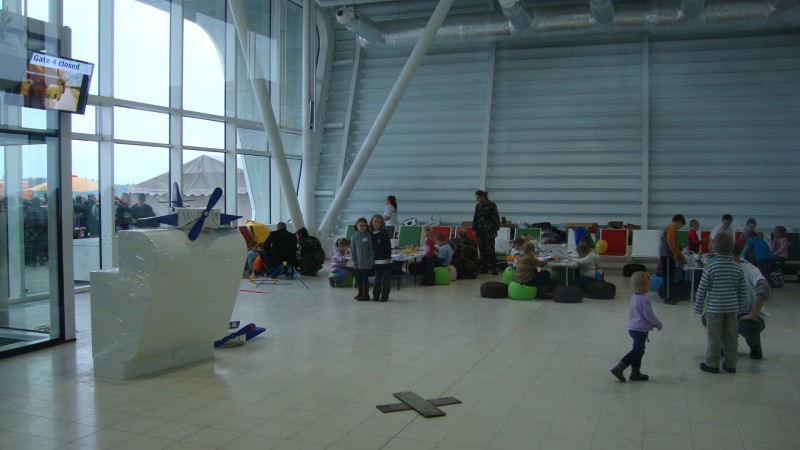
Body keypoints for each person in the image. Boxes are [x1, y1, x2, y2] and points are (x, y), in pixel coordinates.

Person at [693, 233, 746, 374]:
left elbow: (702, 289)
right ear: (732, 248)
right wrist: (739, 307)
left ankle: (712, 364)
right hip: (732, 309)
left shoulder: (710, 267)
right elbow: (742, 290)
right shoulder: (738, 268)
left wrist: (698, 308)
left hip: (714, 309)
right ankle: (731, 364)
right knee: (732, 337)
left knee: (714, 337)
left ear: (714, 248)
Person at [702, 258, 770, 361]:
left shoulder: (750, 269)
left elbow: (764, 287)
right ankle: (723, 344)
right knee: (708, 318)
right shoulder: (717, 270)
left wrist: (753, 314)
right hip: (727, 311)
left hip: (750, 313)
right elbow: (708, 297)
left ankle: (755, 345)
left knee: (747, 327)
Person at [610, 271, 663, 382]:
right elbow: (649, 315)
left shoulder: (634, 297)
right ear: (645, 285)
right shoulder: (644, 300)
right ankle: (619, 368)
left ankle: (635, 373)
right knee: (637, 351)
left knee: (639, 351)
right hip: (640, 330)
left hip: (633, 328)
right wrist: (658, 323)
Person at [660, 214, 687, 305]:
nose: (680, 228)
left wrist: (678, 251)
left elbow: (673, 243)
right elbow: (671, 243)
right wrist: (677, 255)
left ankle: (670, 295)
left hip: (668, 255)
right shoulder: (672, 227)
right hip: (667, 255)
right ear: (679, 222)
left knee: (670, 276)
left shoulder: (671, 227)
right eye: (681, 225)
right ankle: (668, 298)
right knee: (668, 277)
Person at [473, 189, 501, 275]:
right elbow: (475, 218)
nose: (477, 199)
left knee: (490, 250)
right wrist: (474, 229)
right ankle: (484, 268)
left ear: (482, 196)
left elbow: (496, 219)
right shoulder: (478, 206)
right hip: (480, 231)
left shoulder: (492, 205)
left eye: (478, 197)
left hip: (489, 231)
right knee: (482, 250)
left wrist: (495, 230)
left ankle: (494, 268)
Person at [371, 214, 393, 302]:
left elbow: (388, 245)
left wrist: (388, 257)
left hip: (385, 260)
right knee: (377, 280)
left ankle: (384, 296)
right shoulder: (370, 233)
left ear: (381, 223)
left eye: (378, 222)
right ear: (372, 222)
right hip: (376, 261)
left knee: (386, 280)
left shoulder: (385, 232)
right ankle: (375, 296)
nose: (376, 223)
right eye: (375, 221)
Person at [350, 218, 373, 301]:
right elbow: (352, 250)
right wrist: (354, 261)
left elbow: (371, 249)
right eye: (360, 226)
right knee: (358, 278)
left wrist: (371, 260)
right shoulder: (354, 237)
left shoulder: (368, 236)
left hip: (366, 262)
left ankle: (366, 295)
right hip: (357, 263)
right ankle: (360, 293)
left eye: (364, 226)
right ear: (357, 226)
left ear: (366, 226)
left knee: (364, 278)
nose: (362, 227)